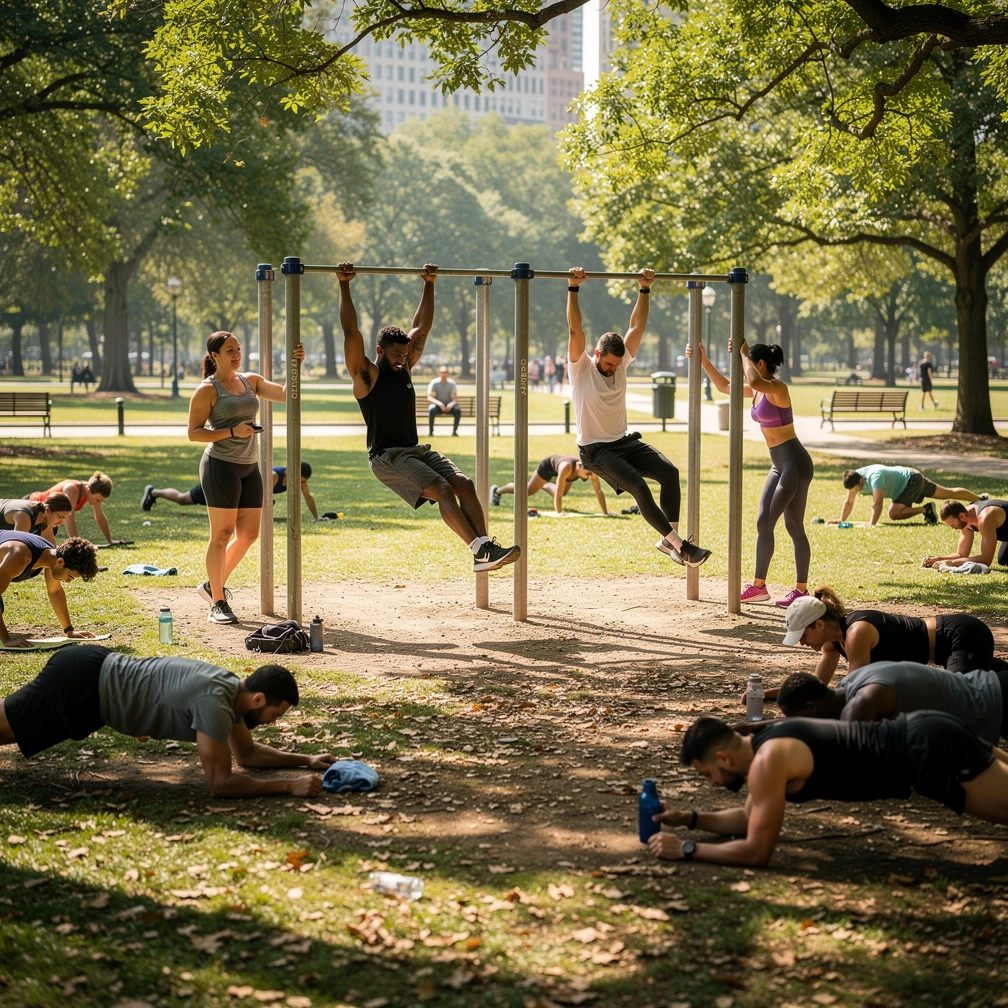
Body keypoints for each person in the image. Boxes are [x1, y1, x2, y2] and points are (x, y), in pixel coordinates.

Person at [336, 261, 518, 573]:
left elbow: (421, 329)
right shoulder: (366, 375)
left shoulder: (404, 366)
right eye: (396, 355)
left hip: (414, 450)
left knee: (463, 482)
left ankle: (484, 550)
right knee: (443, 490)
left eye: (405, 355)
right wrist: (344, 284)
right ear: (379, 350)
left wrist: (429, 283)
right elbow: (351, 331)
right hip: (387, 456)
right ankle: (479, 550)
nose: (403, 360)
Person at [646, 714, 1008, 865]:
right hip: (927, 729)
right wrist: (688, 819)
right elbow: (747, 820)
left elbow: (757, 851)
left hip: (926, 753)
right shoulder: (764, 744)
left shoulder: (767, 761)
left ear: (723, 758)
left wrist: (688, 850)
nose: (710, 783)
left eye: (707, 774)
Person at [0, 648, 335, 797]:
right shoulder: (215, 702)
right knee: (6, 726)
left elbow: (246, 754)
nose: (273, 723)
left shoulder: (232, 692)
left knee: (11, 731)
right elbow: (220, 784)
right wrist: (288, 785)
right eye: (274, 716)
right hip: (83, 683)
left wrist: (306, 761)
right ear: (260, 700)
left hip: (93, 685)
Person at [567, 266, 710, 568]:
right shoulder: (580, 368)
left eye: (617, 364)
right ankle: (681, 546)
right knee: (640, 488)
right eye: (608, 363)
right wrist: (573, 288)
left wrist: (644, 289)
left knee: (670, 473)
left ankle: (667, 541)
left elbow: (637, 327)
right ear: (596, 354)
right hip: (596, 450)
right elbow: (575, 330)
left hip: (623, 442)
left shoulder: (620, 364)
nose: (612, 368)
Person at [188, 330, 306, 624]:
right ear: (215, 356)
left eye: (238, 349)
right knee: (222, 535)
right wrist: (231, 431)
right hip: (220, 466)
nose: (237, 354)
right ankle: (217, 603)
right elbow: (193, 432)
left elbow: (286, 395)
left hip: (249, 467)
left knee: (249, 535)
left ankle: (210, 586)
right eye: (230, 350)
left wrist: (296, 366)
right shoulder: (207, 389)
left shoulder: (249, 380)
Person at [689, 337, 812, 606]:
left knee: (791, 525)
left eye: (749, 363)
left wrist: (743, 353)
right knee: (764, 522)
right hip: (779, 463)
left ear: (760, 364)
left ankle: (798, 590)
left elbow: (755, 381)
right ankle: (760, 587)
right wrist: (704, 361)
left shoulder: (778, 388)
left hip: (794, 462)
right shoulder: (757, 391)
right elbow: (725, 387)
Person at [780, 587, 1004, 682]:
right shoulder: (833, 642)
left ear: (819, 625)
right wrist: (781, 693)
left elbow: (853, 687)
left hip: (960, 635)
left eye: (802, 635)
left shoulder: (856, 632)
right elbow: (818, 686)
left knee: (961, 697)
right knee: (993, 678)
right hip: (948, 650)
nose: (801, 642)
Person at [777, 663, 1008, 744]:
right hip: (994, 687)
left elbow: (846, 755)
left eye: (796, 721)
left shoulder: (862, 705)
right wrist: (754, 728)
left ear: (812, 707)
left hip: (998, 702)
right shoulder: (851, 683)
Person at [0, 531, 99, 646]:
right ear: (60, 562)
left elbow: (55, 591)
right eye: (70, 576)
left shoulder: (50, 556)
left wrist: (69, 631)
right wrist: (6, 639)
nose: (68, 581)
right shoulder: (20, 557)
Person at [141, 463, 322, 521]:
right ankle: (154, 492)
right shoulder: (274, 475)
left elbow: (308, 497)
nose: (301, 484)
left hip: (237, 493)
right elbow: (261, 498)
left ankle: (154, 492)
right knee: (183, 499)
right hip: (224, 484)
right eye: (299, 480)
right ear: (291, 471)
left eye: (303, 482)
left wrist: (316, 518)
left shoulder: (300, 481)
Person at [836, 464, 983, 526]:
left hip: (911, 480)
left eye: (856, 489)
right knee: (947, 493)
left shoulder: (875, 477)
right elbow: (849, 501)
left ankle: (981, 500)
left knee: (893, 513)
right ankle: (927, 509)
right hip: (910, 479)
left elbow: (877, 503)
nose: (855, 492)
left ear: (861, 480)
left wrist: (871, 524)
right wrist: (840, 520)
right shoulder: (854, 478)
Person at [491, 455, 608, 514]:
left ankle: (543, 485)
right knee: (528, 490)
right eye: (587, 473)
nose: (589, 476)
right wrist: (559, 512)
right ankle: (497, 491)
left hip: (563, 472)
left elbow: (598, 491)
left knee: (564, 492)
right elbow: (558, 493)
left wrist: (605, 513)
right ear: (578, 465)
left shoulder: (589, 471)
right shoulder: (566, 467)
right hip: (548, 466)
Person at [27, 472, 119, 545]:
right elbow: (69, 518)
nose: (98, 503)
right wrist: (78, 544)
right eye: (98, 500)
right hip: (31, 506)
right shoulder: (72, 489)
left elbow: (100, 517)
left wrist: (110, 541)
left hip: (49, 515)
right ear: (88, 490)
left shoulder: (92, 493)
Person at [924, 499, 1008, 569]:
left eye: (952, 524)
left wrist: (952, 563)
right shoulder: (965, 517)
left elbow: (986, 560)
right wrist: (937, 559)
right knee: (1003, 560)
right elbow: (961, 554)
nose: (953, 528)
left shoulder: (984, 518)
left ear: (961, 516)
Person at [0, 494, 73, 543]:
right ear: (47, 510)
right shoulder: (24, 516)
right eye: (60, 517)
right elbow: (16, 547)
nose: (62, 522)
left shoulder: (45, 519)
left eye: (65, 518)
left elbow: (51, 550)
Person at [426, 365, 462, 436]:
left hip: (449, 407)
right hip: (438, 406)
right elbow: (430, 397)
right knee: (431, 409)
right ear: (439, 373)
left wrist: (451, 404)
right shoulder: (434, 383)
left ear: (448, 373)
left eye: (445, 372)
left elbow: (454, 398)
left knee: (457, 410)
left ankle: (454, 432)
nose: (443, 374)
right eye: (442, 372)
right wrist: (440, 404)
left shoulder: (452, 383)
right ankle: (431, 432)